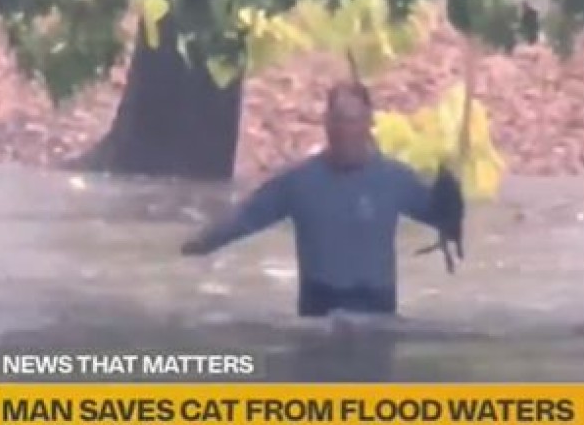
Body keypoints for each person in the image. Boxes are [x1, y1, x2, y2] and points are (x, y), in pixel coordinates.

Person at [181, 81, 461, 318]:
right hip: (320, 312)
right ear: (326, 123)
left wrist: (451, 196)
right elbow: (246, 218)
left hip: (378, 313)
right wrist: (197, 245)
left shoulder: (395, 180)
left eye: (352, 120)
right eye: (337, 119)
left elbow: (442, 217)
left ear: (368, 123)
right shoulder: (299, 182)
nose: (344, 130)